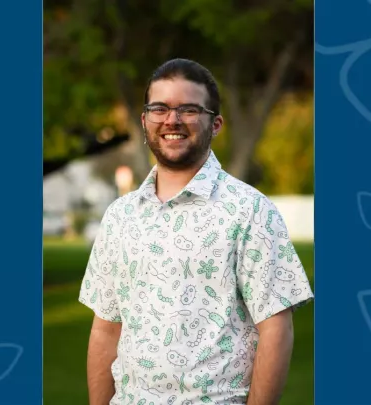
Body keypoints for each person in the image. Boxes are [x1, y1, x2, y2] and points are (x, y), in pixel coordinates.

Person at [78, 58, 313, 405]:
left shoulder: (250, 210)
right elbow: (105, 328)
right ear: (144, 121)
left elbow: (276, 329)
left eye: (188, 109)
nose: (172, 120)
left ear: (215, 124)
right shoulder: (120, 216)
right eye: (160, 108)